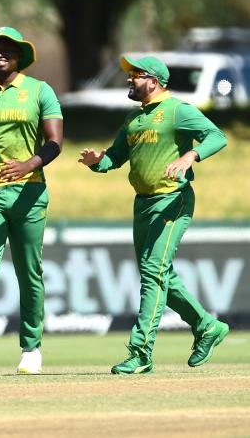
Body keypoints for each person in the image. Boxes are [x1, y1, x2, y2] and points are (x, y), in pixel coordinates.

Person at [79, 55, 229, 374]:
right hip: (143, 204)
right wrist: (96, 161)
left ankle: (141, 353)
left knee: (152, 272)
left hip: (171, 200)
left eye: (136, 75)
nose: (129, 79)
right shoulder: (134, 121)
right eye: (129, 74)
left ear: (154, 80)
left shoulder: (178, 111)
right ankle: (207, 326)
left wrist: (190, 155)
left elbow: (217, 137)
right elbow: (115, 158)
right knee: (161, 275)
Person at [0, 27, 64, 374]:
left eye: (8, 49)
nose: (1, 53)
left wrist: (27, 165)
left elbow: (54, 142)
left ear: (20, 56)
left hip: (29, 192)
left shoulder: (39, 91)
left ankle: (31, 348)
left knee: (29, 271)